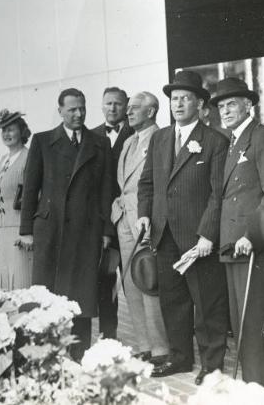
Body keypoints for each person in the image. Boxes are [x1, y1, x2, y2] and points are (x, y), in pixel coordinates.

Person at [137, 70, 229, 385]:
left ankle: (212, 364)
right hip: (164, 235)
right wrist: (144, 214)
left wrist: (207, 234)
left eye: (185, 98)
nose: (178, 104)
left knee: (206, 304)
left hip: (197, 238)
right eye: (174, 98)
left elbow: (219, 194)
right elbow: (147, 182)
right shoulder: (160, 137)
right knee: (173, 302)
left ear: (200, 103)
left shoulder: (215, 140)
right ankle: (180, 358)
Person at [18, 88, 113, 361]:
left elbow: (106, 190)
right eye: (72, 109)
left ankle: (78, 353)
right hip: (52, 231)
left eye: (82, 108)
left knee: (82, 296)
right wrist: (26, 230)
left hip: (86, 231)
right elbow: (30, 188)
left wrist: (106, 231)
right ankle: (49, 352)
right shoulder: (43, 141)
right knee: (48, 294)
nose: (79, 114)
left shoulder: (99, 143)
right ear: (60, 110)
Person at [213, 77, 264, 391]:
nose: (225, 111)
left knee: (253, 318)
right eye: (221, 106)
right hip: (232, 242)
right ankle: (258, 382)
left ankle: (259, 384)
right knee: (241, 316)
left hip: (250, 242)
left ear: (248, 106)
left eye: (231, 104)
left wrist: (252, 236)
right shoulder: (233, 140)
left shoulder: (261, 136)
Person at [111, 91, 169, 363]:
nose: (128, 112)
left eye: (135, 108)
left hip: (146, 220)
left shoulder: (161, 138)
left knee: (148, 281)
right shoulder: (128, 142)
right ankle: (143, 344)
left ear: (151, 111)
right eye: (129, 108)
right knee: (131, 284)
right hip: (124, 219)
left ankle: (160, 347)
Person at [91, 87, 134, 339]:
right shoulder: (92, 136)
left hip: (129, 218)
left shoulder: (136, 133)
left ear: (126, 106)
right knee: (106, 282)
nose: (113, 108)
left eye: (118, 104)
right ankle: (109, 337)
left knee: (135, 281)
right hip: (104, 223)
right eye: (108, 103)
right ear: (102, 105)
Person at [0, 109, 32, 290]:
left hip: (20, 230)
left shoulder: (28, 157)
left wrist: (29, 233)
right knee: (6, 281)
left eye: (11, 129)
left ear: (21, 131)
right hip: (3, 230)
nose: (6, 134)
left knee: (21, 280)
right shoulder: (4, 159)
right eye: (3, 130)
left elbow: (32, 198)